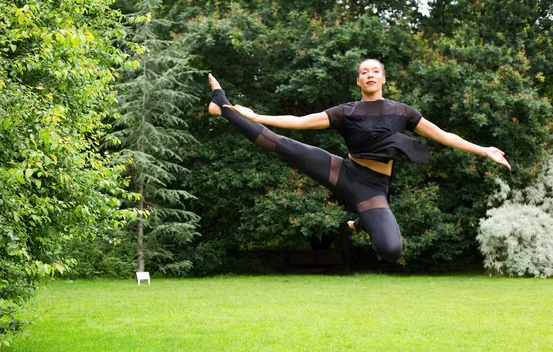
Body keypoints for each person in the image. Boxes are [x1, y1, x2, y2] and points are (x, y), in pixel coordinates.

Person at [207, 59, 511, 262]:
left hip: (372, 190)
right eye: (364, 72)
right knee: (281, 144)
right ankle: (224, 106)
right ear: (358, 80)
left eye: (375, 71)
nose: (369, 75)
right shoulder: (346, 111)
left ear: (383, 79)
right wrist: (256, 115)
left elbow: (443, 135)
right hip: (344, 171)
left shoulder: (402, 111)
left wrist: (483, 149)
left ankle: (361, 221)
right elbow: (300, 121)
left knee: (391, 251)